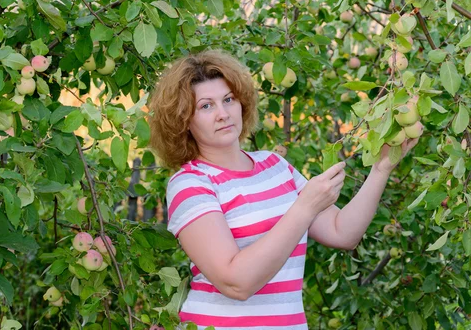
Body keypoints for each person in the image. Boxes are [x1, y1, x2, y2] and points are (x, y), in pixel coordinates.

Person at [148, 50, 418, 329]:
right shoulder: (191, 183)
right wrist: (305, 207)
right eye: (206, 106)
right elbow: (236, 283)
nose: (223, 114)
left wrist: (381, 167)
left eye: (228, 99)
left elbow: (343, 232)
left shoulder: (274, 165)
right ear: (184, 122)